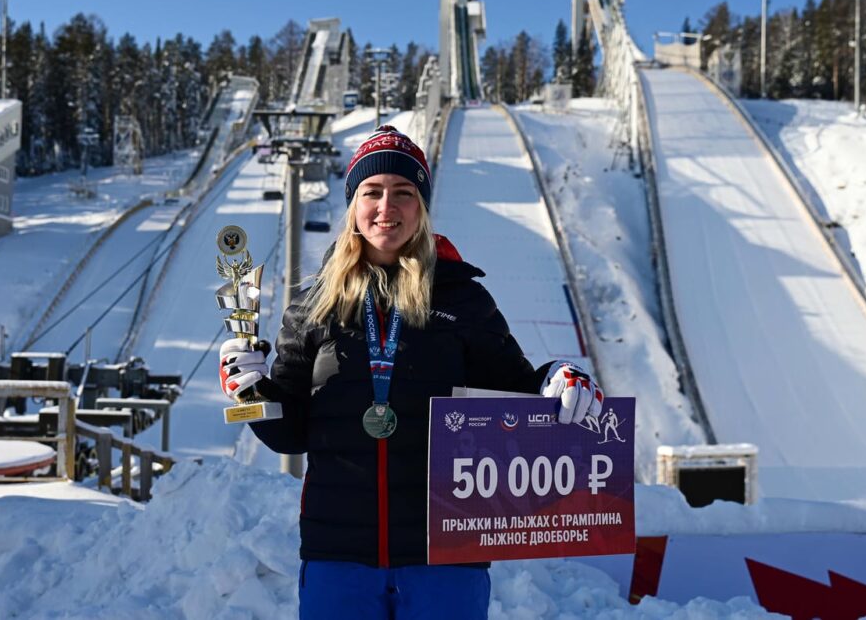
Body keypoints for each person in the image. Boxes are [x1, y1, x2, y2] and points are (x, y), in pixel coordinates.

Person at [219, 125, 604, 619]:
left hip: (446, 554)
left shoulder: (463, 300)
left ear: (421, 206)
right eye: (372, 191)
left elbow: (519, 392)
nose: (387, 206)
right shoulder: (314, 307)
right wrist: (250, 393)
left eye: (404, 192)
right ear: (353, 205)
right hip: (339, 553)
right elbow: (289, 433)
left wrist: (559, 375)